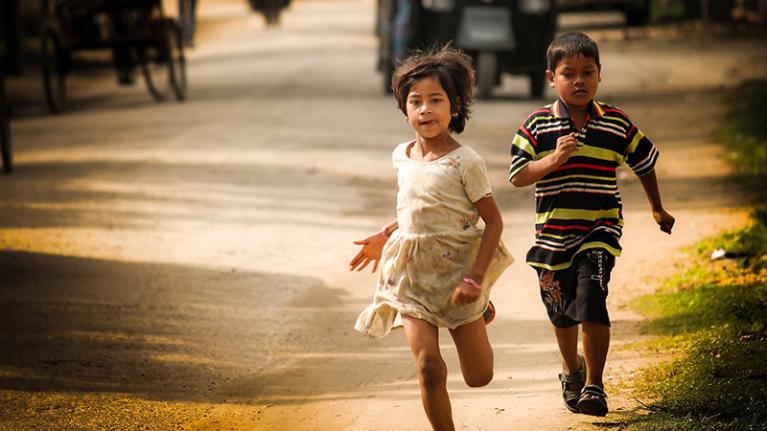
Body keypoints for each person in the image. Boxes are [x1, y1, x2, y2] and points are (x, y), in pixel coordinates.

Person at [508, 32, 675, 417]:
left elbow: (644, 163)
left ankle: (595, 385)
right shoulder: (536, 126)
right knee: (562, 313)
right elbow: (517, 175)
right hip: (552, 236)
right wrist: (553, 160)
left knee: (592, 298)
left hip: (599, 230)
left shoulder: (615, 123)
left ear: (600, 76)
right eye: (569, 74)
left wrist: (657, 209)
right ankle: (571, 369)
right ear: (552, 77)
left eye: (588, 72)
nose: (579, 80)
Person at [350, 45, 513, 430]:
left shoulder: (465, 162)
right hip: (411, 274)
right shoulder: (401, 156)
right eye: (415, 101)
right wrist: (387, 233)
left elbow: (493, 222)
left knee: (478, 376)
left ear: (454, 107)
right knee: (428, 369)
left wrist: (475, 278)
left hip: (459, 275)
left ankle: (482, 311)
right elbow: (417, 208)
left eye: (435, 100)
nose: (425, 109)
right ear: (404, 109)